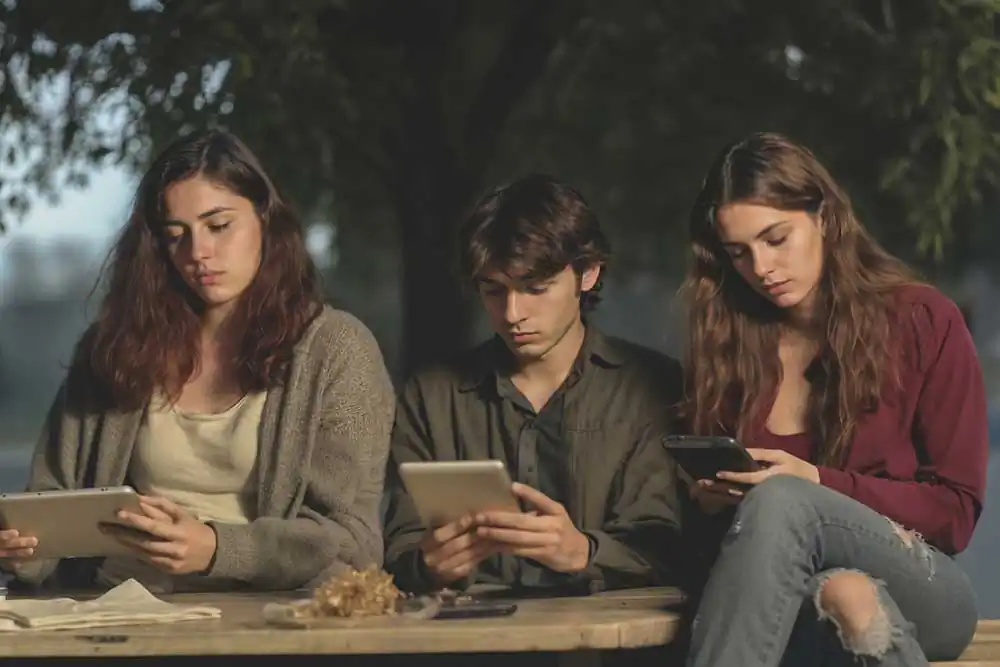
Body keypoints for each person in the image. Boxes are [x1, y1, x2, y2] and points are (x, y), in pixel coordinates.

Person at [0, 130, 395, 592]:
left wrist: (215, 548)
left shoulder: (337, 350)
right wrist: (20, 549)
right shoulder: (114, 346)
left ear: (265, 220)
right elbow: (49, 504)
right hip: (118, 604)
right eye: (175, 236)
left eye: (219, 226)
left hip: (267, 613)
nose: (198, 253)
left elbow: (350, 544)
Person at [678, 132, 987, 666]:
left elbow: (954, 513)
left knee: (785, 499)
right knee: (847, 594)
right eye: (739, 253)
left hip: (926, 586)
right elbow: (737, 559)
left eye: (776, 238)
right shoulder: (731, 347)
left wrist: (816, 483)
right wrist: (714, 503)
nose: (761, 267)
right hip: (791, 603)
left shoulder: (922, 320)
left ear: (823, 216)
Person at [383, 174, 684, 595]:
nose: (512, 313)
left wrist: (584, 553)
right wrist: (427, 565)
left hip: (606, 630)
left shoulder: (653, 386)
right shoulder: (430, 396)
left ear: (588, 273)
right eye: (493, 291)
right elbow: (398, 544)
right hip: (470, 629)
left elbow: (673, 547)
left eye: (535, 289)